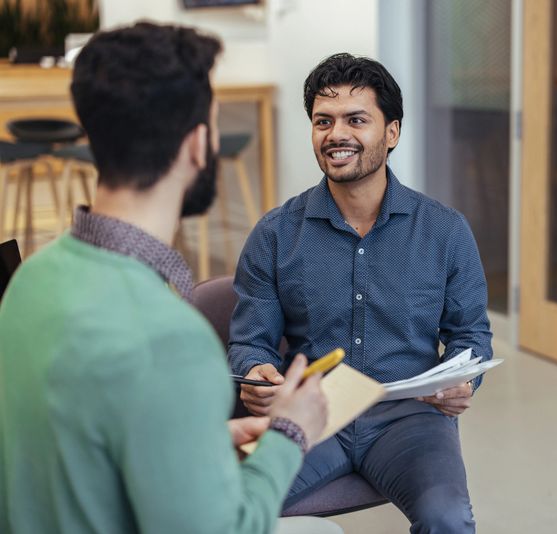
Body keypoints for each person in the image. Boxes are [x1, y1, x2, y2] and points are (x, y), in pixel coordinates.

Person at [0, 23, 337, 534]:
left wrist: (193, 438)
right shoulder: (170, 339)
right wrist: (290, 432)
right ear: (198, 144)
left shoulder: (29, 281)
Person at [228, 53, 493, 533]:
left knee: (448, 519)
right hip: (312, 415)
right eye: (323, 121)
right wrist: (253, 371)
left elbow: (470, 335)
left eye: (356, 120)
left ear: (391, 133)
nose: (336, 134)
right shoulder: (275, 233)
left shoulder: (445, 231)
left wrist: (464, 381)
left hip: (409, 419)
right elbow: (251, 341)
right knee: (221, 507)